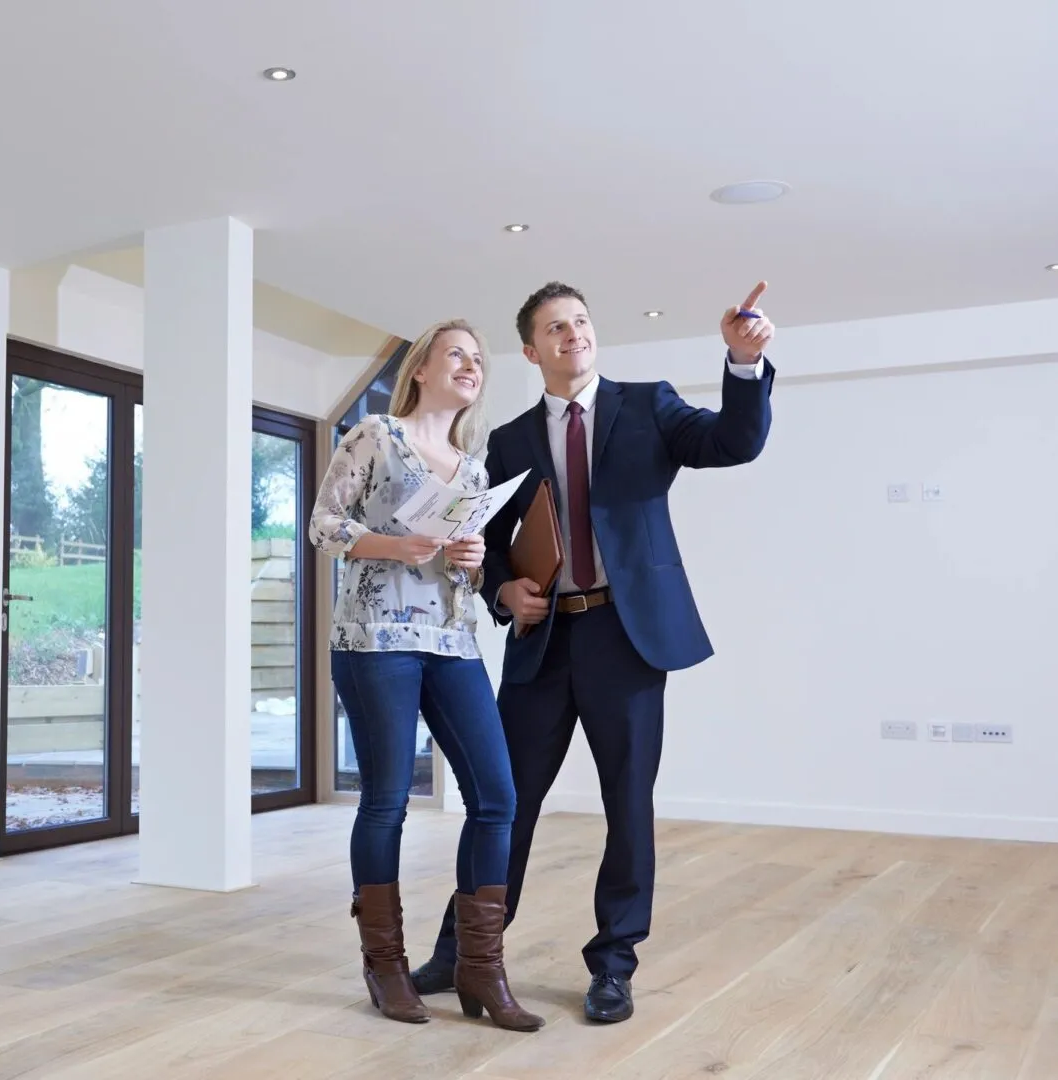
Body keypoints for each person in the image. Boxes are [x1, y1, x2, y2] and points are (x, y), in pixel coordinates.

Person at [411, 282, 776, 1024]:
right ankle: (463, 952)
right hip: (544, 644)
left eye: (579, 322)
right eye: (554, 327)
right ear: (530, 350)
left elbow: (733, 444)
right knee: (500, 805)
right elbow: (481, 546)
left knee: (626, 806)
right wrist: (504, 592)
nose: (571, 334)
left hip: (626, 636)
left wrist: (742, 365)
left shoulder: (649, 406)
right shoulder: (509, 441)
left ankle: (612, 965)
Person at [310, 318, 543, 1032]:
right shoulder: (375, 434)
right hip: (374, 638)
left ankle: (481, 966)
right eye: (457, 355)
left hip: (451, 640)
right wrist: (394, 543)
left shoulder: (473, 468)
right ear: (421, 369)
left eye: (478, 359)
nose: (471, 366)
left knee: (497, 798)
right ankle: (385, 968)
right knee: (385, 801)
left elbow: (457, 574)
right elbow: (323, 525)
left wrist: (470, 562)